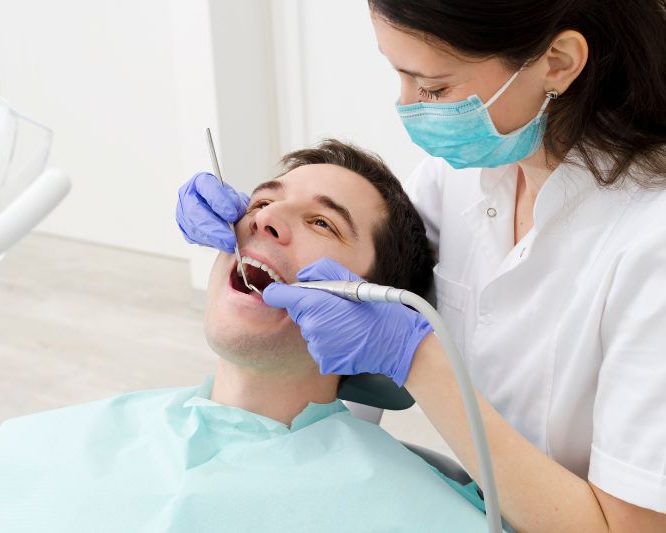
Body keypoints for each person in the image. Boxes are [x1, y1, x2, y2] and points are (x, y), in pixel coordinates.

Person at [175, 2, 666, 532]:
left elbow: (629, 527)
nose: (407, 106)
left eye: (433, 88)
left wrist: (415, 358)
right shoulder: (457, 175)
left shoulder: (649, 242)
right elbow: (377, 273)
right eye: (263, 202)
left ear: (558, 62)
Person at [0, 140, 502, 533]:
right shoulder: (46, 447)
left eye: (323, 223)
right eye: (262, 202)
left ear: (373, 303)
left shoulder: (421, 515)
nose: (264, 221)